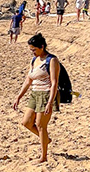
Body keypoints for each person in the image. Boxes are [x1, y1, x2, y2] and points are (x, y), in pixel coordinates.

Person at [13, 33, 63, 164]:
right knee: (26, 122)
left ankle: (43, 156)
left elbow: (54, 82)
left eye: (34, 50)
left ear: (42, 47)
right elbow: (28, 80)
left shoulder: (52, 60)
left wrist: (50, 102)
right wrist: (19, 96)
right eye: (31, 50)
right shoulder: (34, 60)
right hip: (34, 94)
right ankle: (45, 139)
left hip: (46, 94)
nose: (33, 52)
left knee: (41, 125)